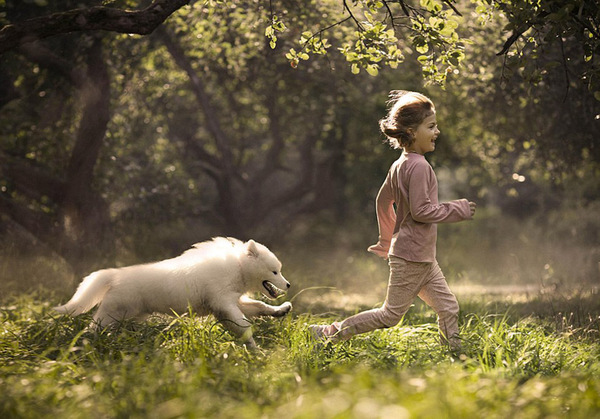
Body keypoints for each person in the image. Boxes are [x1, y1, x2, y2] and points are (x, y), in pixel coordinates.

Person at [309, 91, 476, 350]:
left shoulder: (399, 165)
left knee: (448, 307)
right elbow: (422, 211)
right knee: (390, 316)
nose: (437, 131)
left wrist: (387, 240)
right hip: (412, 256)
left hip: (419, 256)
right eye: (431, 126)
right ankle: (328, 333)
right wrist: (458, 210)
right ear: (410, 131)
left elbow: (382, 201)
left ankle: (455, 354)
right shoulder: (420, 167)